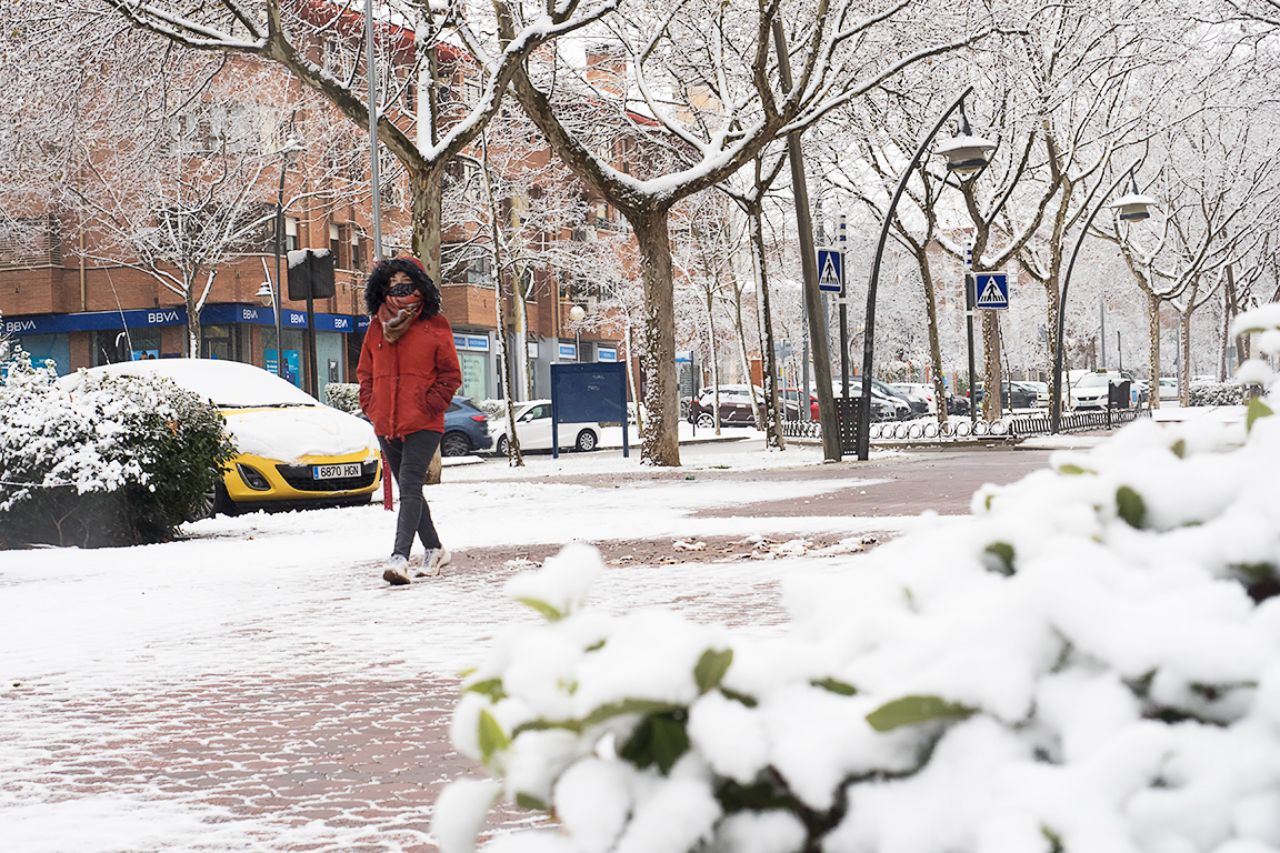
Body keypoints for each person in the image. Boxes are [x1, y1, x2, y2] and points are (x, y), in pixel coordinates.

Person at [357, 256, 461, 586]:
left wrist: (430, 405)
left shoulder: (435, 325)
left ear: (420, 285)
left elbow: (450, 375)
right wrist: (372, 406)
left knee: (411, 483)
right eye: (392, 283)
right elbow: (365, 374)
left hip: (424, 422)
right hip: (386, 422)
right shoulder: (376, 327)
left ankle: (399, 557)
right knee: (409, 488)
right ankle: (434, 548)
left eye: (406, 283)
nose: (399, 288)